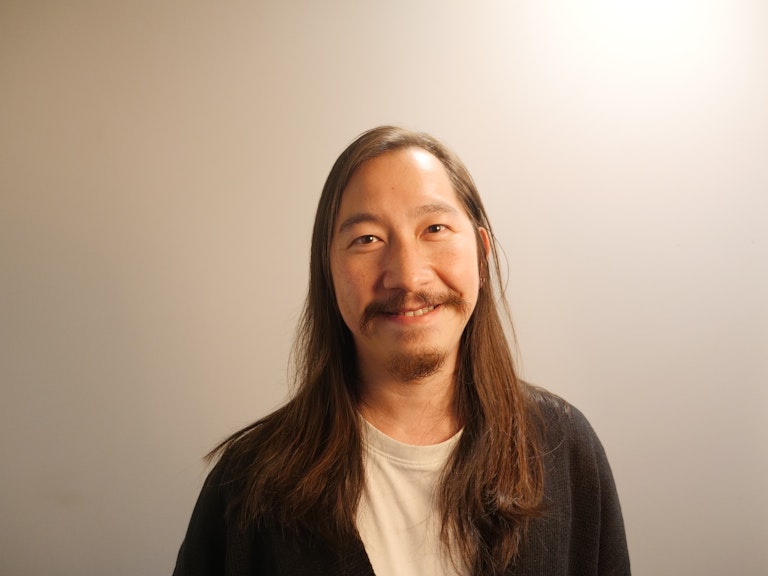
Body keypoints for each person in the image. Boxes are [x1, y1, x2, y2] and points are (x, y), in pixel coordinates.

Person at [172, 126, 631, 576]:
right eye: (367, 239)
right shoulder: (247, 488)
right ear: (328, 272)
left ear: (482, 254)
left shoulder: (565, 451)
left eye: (434, 228)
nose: (408, 278)